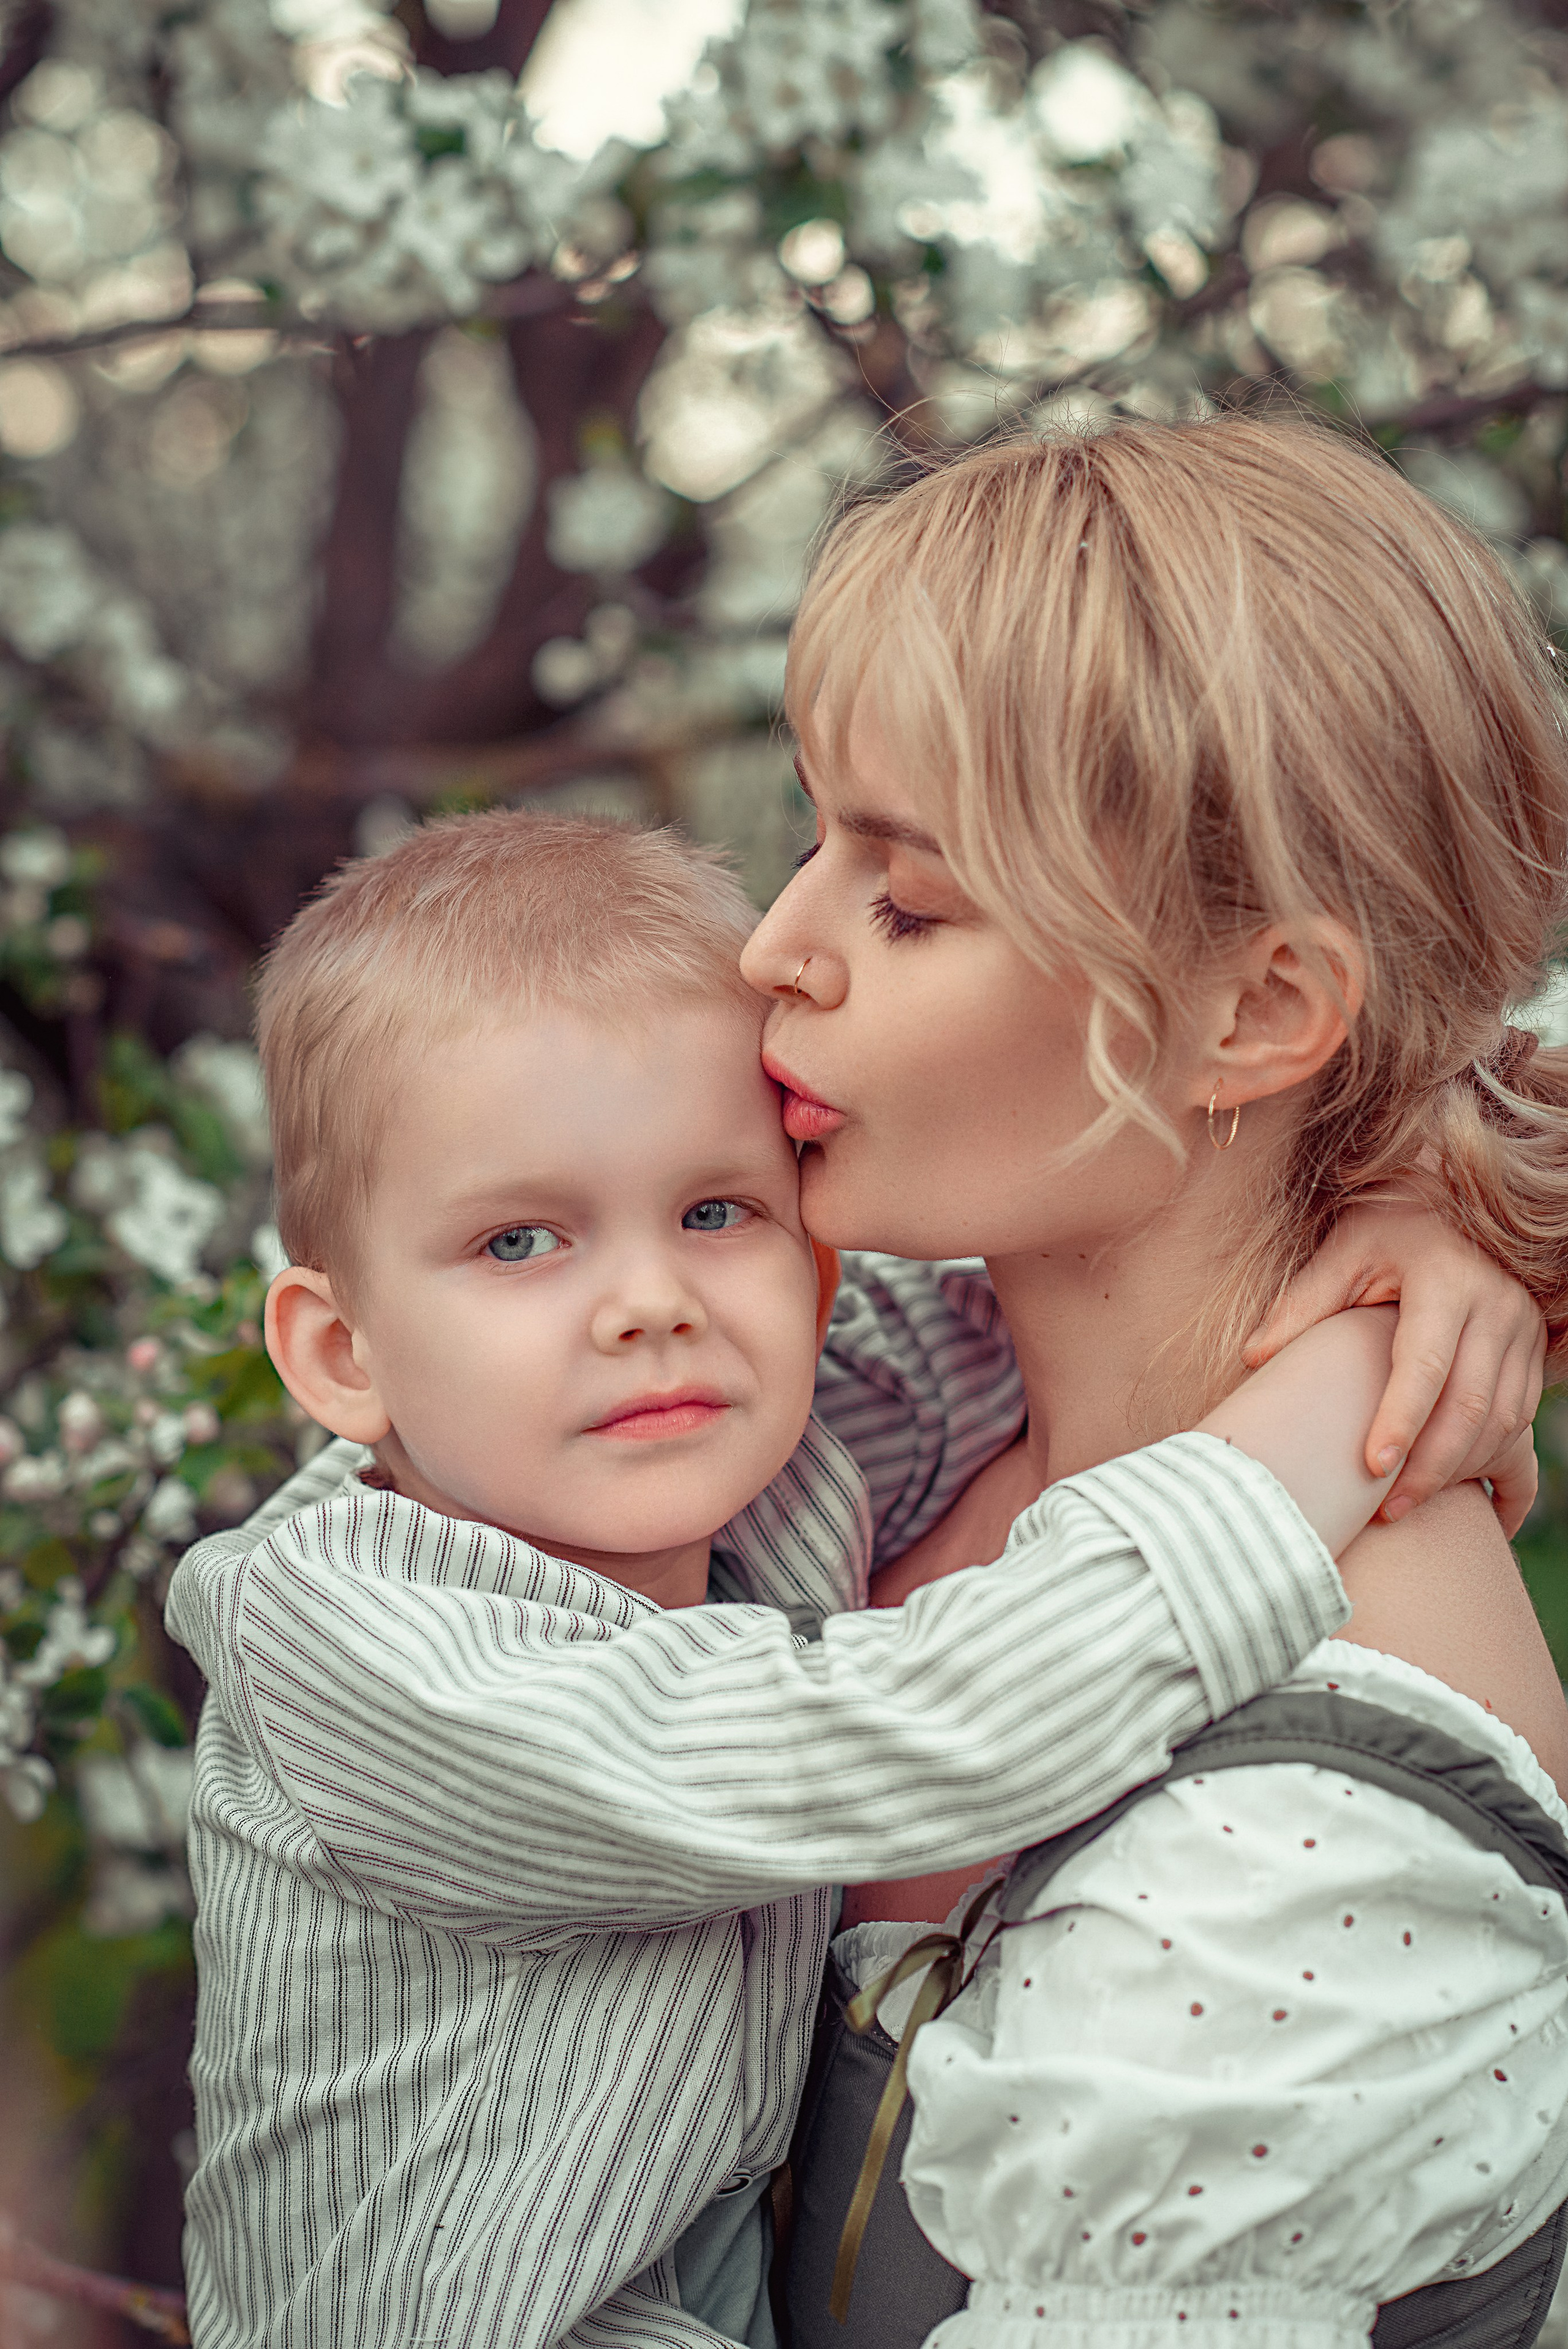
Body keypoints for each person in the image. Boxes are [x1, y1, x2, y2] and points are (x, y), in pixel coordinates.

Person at [165, 809, 1528, 2349]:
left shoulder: (762, 1443)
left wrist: (1426, 1232)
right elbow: (930, 1724)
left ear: (809, 1271)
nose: (647, 1306)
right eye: (520, 1240)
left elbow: (1094, 1315)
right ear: (342, 1355)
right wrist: (1350, 1383)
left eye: (711, 1211)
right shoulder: (361, 1649)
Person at [742, 415, 1568, 2349]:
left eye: (911, 903)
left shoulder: (1309, 1879)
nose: (775, 946)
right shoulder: (903, 1421)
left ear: (1260, 1012)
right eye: (812, 840)